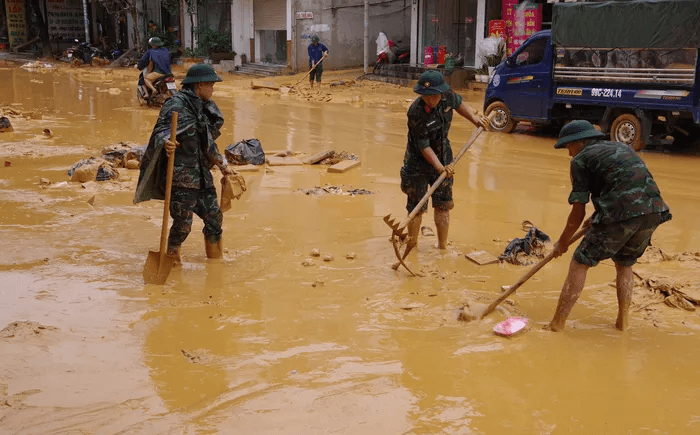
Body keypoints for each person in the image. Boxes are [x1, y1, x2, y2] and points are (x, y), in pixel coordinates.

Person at [545, 120, 672, 332]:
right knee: (624, 263)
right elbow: (624, 184)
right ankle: (623, 322)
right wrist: (599, 215)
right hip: (653, 210)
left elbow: (577, 212)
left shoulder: (580, 160)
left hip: (621, 213)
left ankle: (557, 324)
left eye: (568, 147)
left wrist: (563, 242)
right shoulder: (621, 147)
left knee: (580, 261)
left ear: (581, 141)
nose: (569, 154)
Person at [134, 64, 235, 262]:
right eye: (211, 85)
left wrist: (224, 166)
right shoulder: (176, 105)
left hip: (202, 176)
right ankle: (172, 260)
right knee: (182, 224)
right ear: (199, 86)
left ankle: (216, 264)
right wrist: (166, 142)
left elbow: (208, 142)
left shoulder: (202, 107)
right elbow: (160, 132)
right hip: (182, 178)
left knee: (214, 218)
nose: (213, 90)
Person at [393, 70, 489, 269]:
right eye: (426, 96)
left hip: (445, 156)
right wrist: (439, 168)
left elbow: (460, 105)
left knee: (443, 204)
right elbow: (423, 145)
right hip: (418, 163)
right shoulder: (415, 112)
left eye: (434, 95)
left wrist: (475, 119)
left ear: (441, 92)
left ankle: (442, 248)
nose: (430, 99)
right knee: (416, 206)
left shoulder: (447, 96)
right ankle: (413, 246)